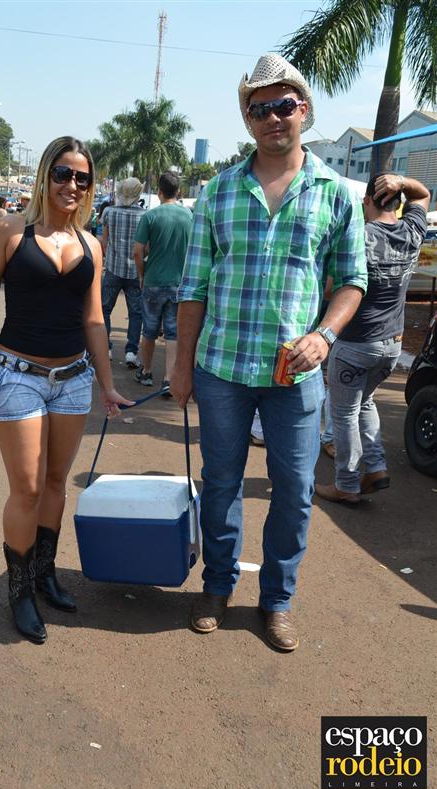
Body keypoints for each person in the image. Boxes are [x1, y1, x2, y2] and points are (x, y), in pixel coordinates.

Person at [170, 53, 367, 652]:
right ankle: (217, 587)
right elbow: (194, 286)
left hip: (295, 376)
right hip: (222, 369)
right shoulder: (219, 191)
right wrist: (181, 365)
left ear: (303, 110)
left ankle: (277, 599)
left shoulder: (334, 193)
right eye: (260, 109)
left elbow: (352, 281)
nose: (273, 117)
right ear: (247, 119)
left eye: (283, 105)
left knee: (295, 491)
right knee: (221, 484)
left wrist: (324, 335)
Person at [0, 136, 132, 644]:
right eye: (63, 173)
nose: (72, 185)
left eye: (82, 177)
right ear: (45, 175)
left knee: (57, 482)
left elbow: (94, 320)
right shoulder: (9, 231)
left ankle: (45, 573)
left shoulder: (91, 245)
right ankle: (19, 591)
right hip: (16, 375)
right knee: (28, 488)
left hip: (73, 380)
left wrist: (107, 384)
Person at [315, 173, 429, 504]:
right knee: (364, 402)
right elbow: (423, 194)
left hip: (355, 343)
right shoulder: (411, 230)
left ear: (366, 201)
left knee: (343, 414)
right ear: (398, 201)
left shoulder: (358, 237)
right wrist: (401, 181)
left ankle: (346, 484)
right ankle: (376, 468)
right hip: (392, 344)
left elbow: (330, 290)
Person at [133, 171, 192, 395]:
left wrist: (141, 275)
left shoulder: (150, 216)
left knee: (149, 330)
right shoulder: (189, 216)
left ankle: (146, 371)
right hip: (179, 283)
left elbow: (138, 251)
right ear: (179, 192)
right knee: (172, 333)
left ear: (159, 191)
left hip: (153, 281)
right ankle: (168, 378)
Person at [101, 178, 145, 366]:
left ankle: (106, 348)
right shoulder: (145, 216)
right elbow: (145, 247)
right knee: (136, 313)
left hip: (113, 268)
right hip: (135, 271)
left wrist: (107, 258)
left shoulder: (109, 212)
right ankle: (131, 352)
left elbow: (104, 242)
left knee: (104, 309)